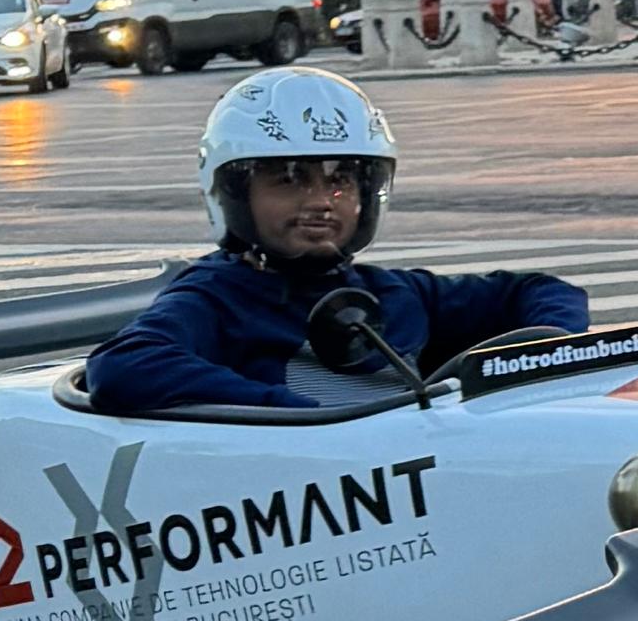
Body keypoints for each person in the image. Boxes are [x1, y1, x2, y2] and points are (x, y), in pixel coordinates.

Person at [79, 68, 589, 416]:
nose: (323, 201)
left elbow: (548, 293)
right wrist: (291, 414)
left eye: (341, 180)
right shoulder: (217, 297)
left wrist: (542, 353)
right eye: (290, 180)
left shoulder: (395, 293)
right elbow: (122, 367)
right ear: (234, 195)